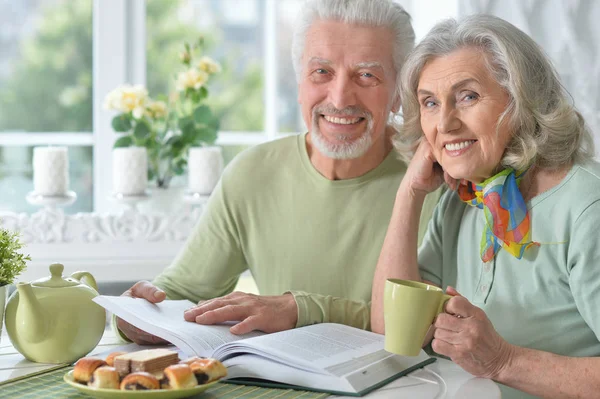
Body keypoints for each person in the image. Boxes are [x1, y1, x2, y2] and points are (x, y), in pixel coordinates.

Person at [116, 0, 443, 345]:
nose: (341, 97)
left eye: (366, 75)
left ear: (399, 94)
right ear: (300, 83)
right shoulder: (252, 174)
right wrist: (135, 315)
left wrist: (300, 309)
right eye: (322, 72)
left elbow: (426, 324)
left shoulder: (436, 181)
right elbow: (182, 292)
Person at [370, 14, 600, 399]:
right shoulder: (462, 199)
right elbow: (391, 330)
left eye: (468, 96)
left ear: (523, 100)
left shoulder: (587, 208)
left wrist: (503, 361)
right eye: (430, 103)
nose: (445, 123)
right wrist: (408, 195)